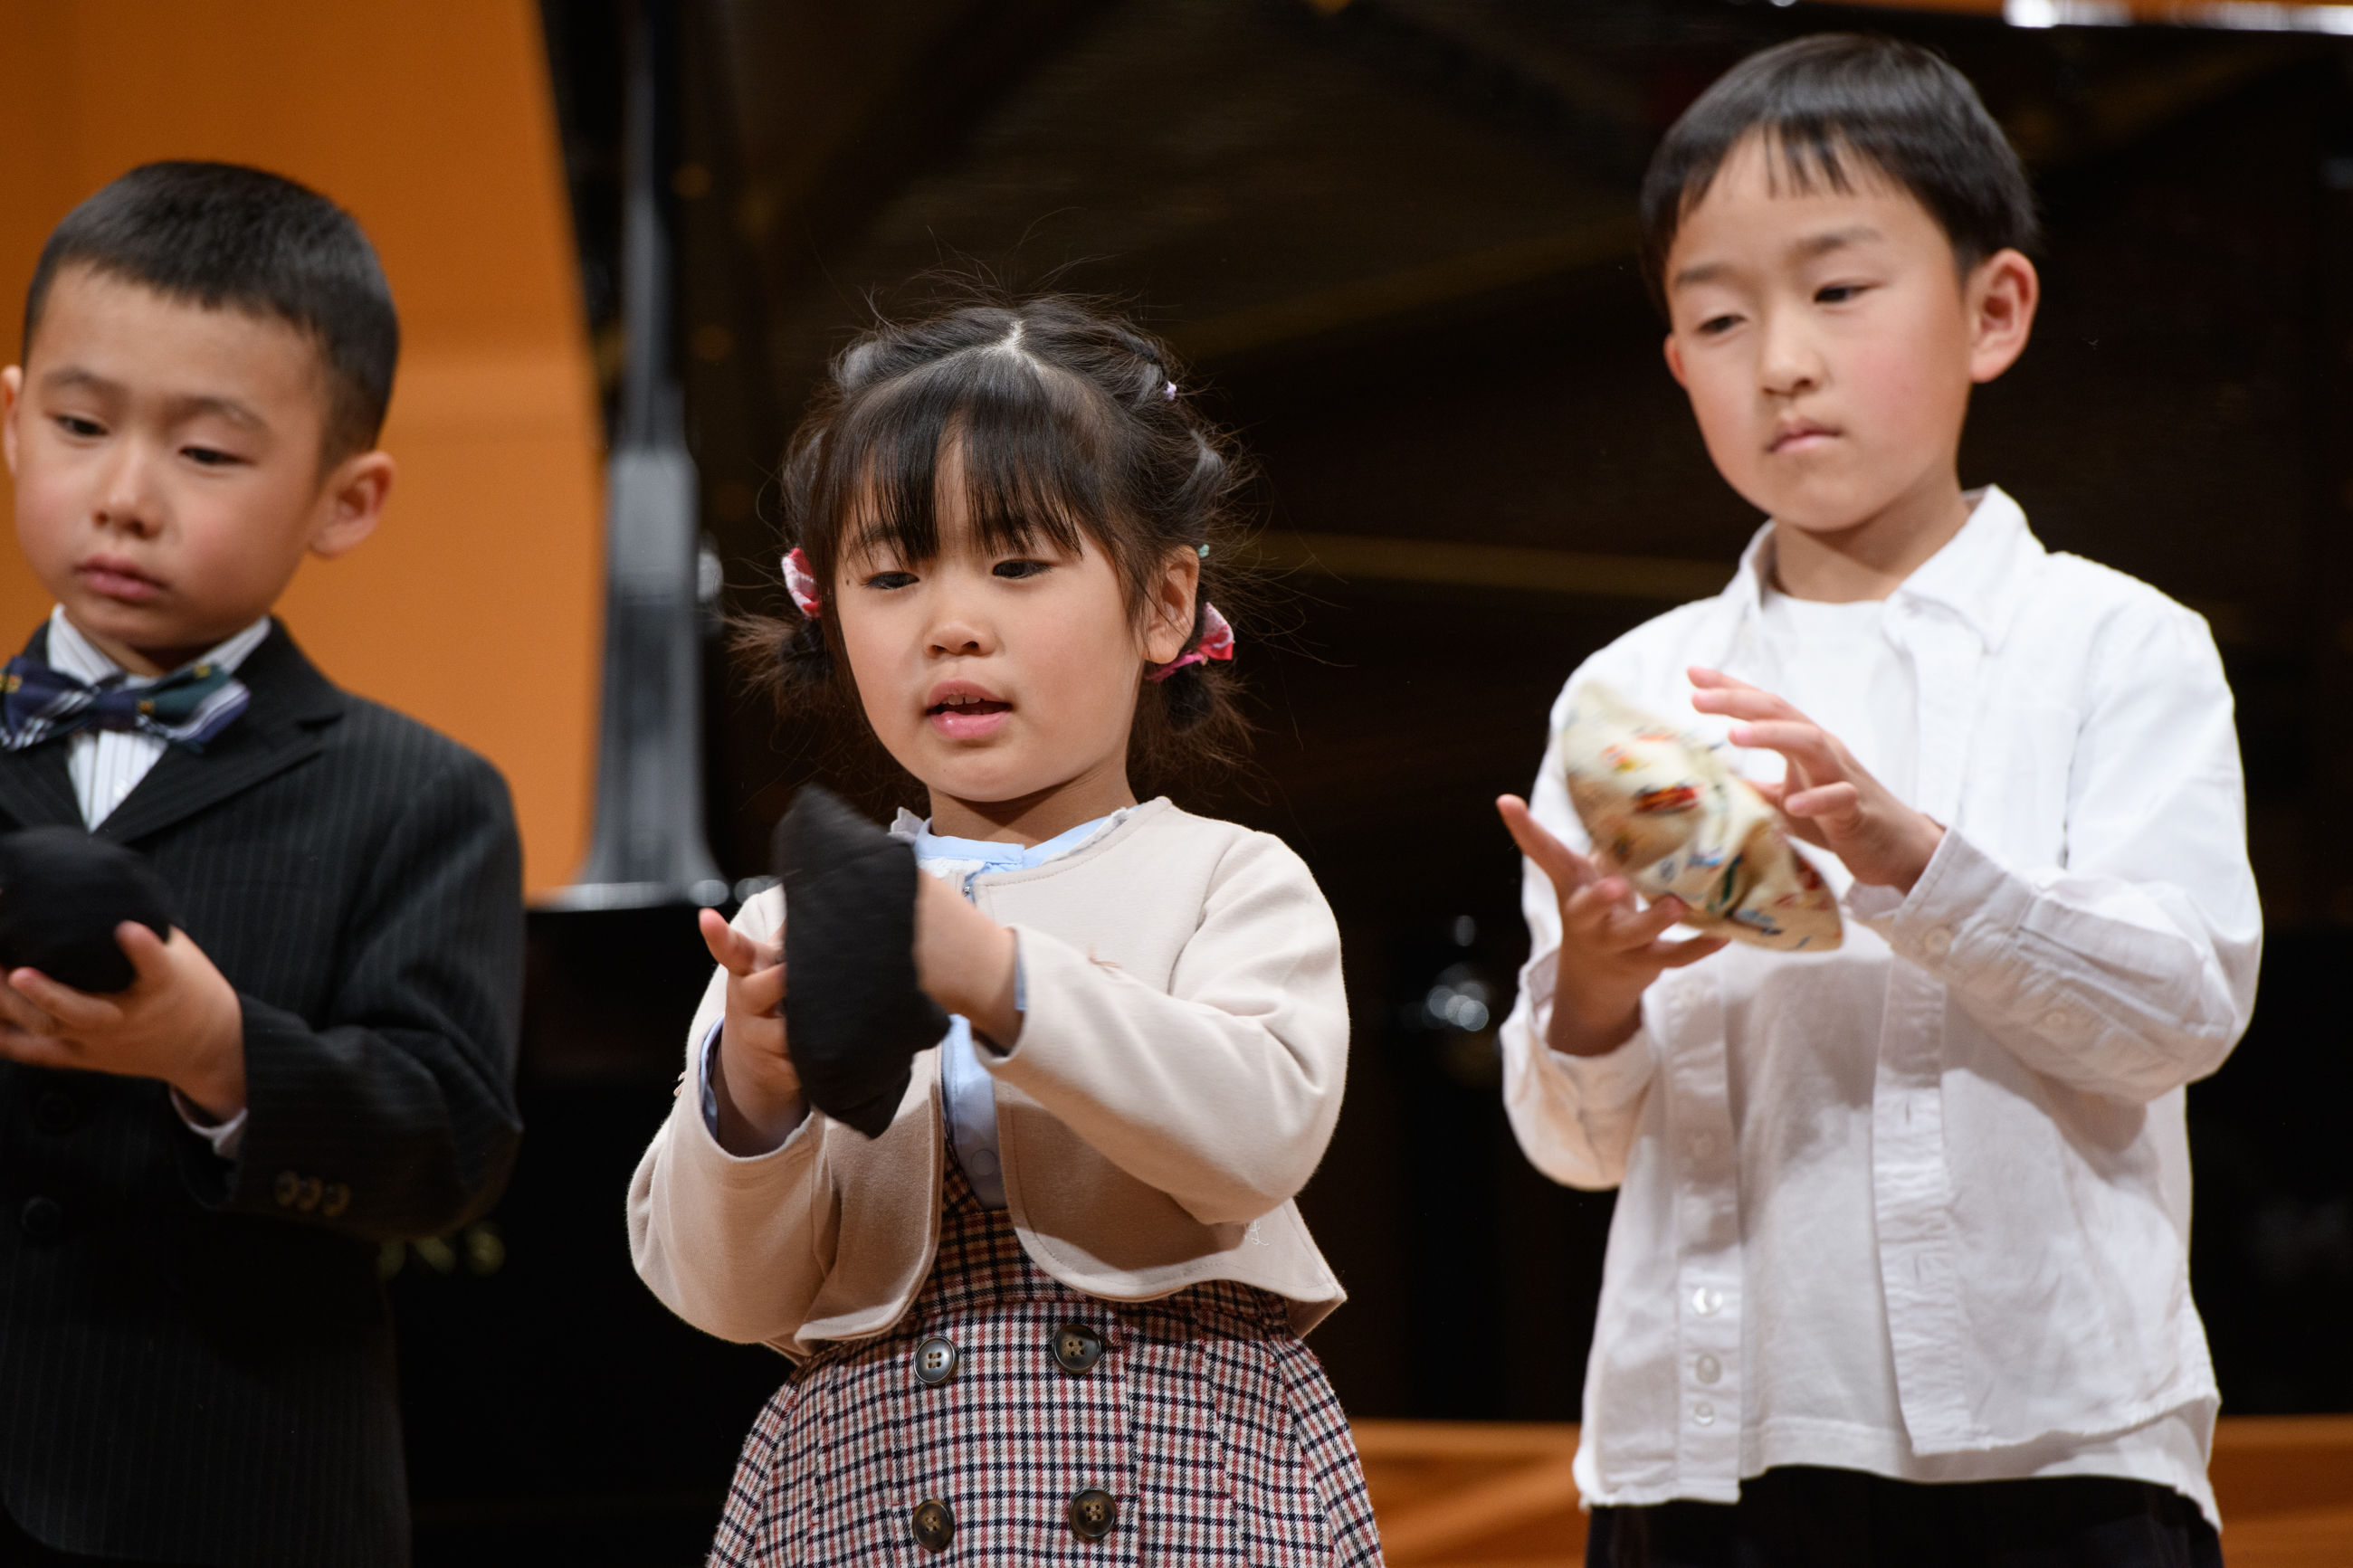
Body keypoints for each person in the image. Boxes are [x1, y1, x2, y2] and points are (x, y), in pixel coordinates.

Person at [1495, 35, 2258, 1568]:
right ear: (1677, 363)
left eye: (1838, 291)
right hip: (1699, 1461)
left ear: (1995, 309)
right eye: (1720, 316)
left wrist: (1914, 864)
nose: (1780, 356)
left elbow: (2185, 1011)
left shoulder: (2120, 645)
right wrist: (1584, 998)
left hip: (2059, 1459)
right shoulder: (1628, 698)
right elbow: (1577, 1147)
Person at [628, 296, 1382, 1566]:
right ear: (832, 615)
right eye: (891, 573)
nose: (952, 621)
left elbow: (1259, 1136)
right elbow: (723, 1293)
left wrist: (1000, 973)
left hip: (1186, 1474)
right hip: (867, 1488)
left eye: (1018, 563)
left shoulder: (1229, 878)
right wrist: (751, 1096)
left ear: (1164, 605)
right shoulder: (794, 919)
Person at [0, 163, 525, 1567]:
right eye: (78, 423)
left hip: (233, 1500)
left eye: (209, 453)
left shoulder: (423, 793)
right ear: (9, 420)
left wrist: (221, 1052)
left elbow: (452, 1145)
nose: (124, 495)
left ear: (344, 499)